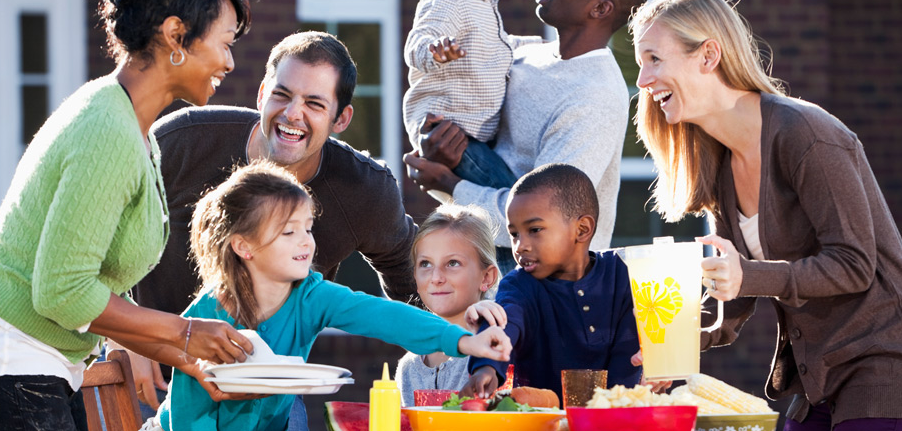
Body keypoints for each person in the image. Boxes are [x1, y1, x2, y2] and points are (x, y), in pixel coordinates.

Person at [0, 0, 256, 430]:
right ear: (176, 35)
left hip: (36, 367)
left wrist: (182, 354)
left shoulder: (134, 128)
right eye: (225, 42)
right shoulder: (108, 130)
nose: (230, 63)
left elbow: (91, 296)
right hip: (2, 366)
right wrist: (184, 332)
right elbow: (62, 292)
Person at [630, 0, 902, 430]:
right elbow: (738, 290)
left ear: (708, 56)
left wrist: (748, 275)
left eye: (654, 59)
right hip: (817, 377)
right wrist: (680, 342)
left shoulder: (806, 134)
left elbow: (854, 264)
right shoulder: (722, 163)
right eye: (640, 64)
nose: (642, 80)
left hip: (885, 367)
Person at [128, 31, 419, 418]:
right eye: (282, 95)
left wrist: (461, 342)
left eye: (314, 103)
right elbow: (102, 233)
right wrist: (125, 337)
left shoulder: (364, 190)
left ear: (341, 118)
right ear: (262, 92)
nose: (293, 114)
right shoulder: (184, 139)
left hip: (270, 390)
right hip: (156, 377)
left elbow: (414, 278)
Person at [143, 160, 512, 431]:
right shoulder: (211, 311)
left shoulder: (311, 295)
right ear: (244, 246)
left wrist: (464, 342)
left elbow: (383, 315)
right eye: (289, 233)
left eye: (308, 227)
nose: (306, 241)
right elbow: (188, 411)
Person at [404, 0, 651, 274]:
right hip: (489, 262)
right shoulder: (521, 54)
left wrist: (448, 184)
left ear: (600, 8)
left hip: (551, 290)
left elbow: (547, 219)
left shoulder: (596, 96)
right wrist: (437, 146)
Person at [460, 163, 641, 402]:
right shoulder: (519, 285)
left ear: (582, 229)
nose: (520, 245)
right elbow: (504, 323)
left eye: (534, 229)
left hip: (621, 418)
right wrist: (486, 367)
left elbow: (631, 354)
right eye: (514, 234)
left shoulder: (624, 275)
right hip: (543, 421)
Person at [402, 0, 542, 191]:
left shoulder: (481, 1)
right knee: (510, 194)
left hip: (474, 130)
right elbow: (417, 40)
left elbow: (493, 46)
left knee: (507, 190)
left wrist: (537, 47)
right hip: (450, 133)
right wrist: (435, 50)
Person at [394, 204, 502, 406]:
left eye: (452, 263)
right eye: (425, 264)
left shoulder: (499, 351)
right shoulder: (408, 366)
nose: (436, 278)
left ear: (487, 276)